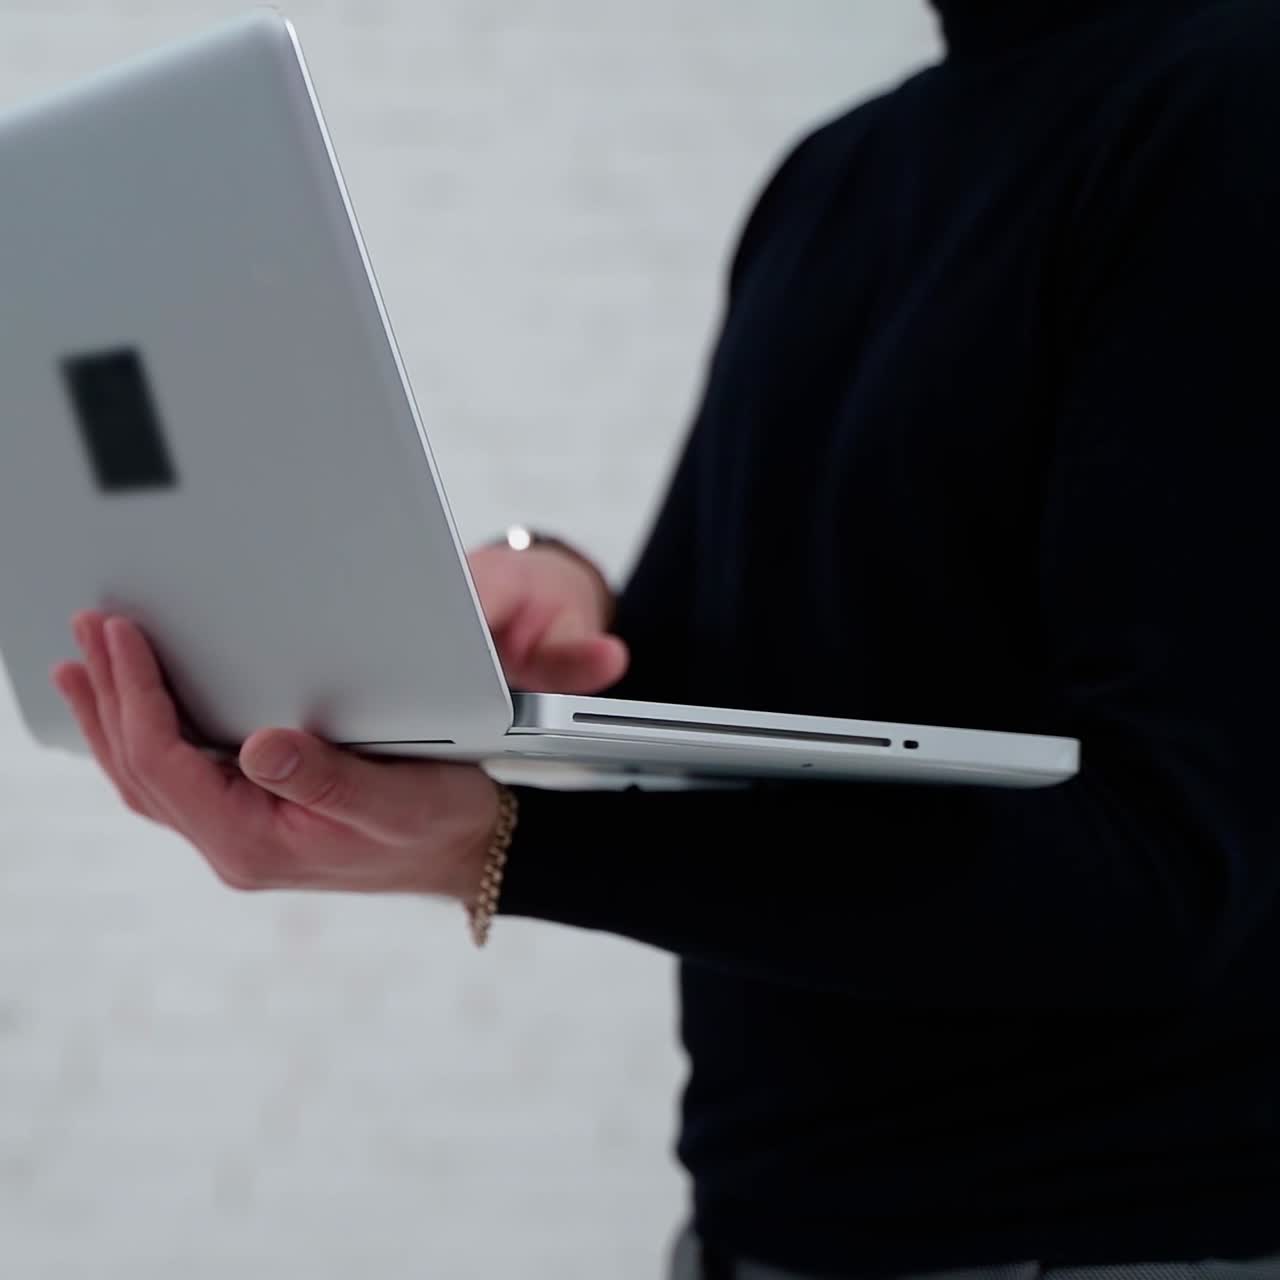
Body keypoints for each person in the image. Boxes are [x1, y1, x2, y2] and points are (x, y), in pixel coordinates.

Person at [49, 0, 1280, 1276]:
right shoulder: (832, 172)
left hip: (1102, 1236)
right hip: (760, 1223)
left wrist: (494, 843)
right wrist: (563, 589)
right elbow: (760, 692)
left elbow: (1167, 875)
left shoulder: (1227, 108)